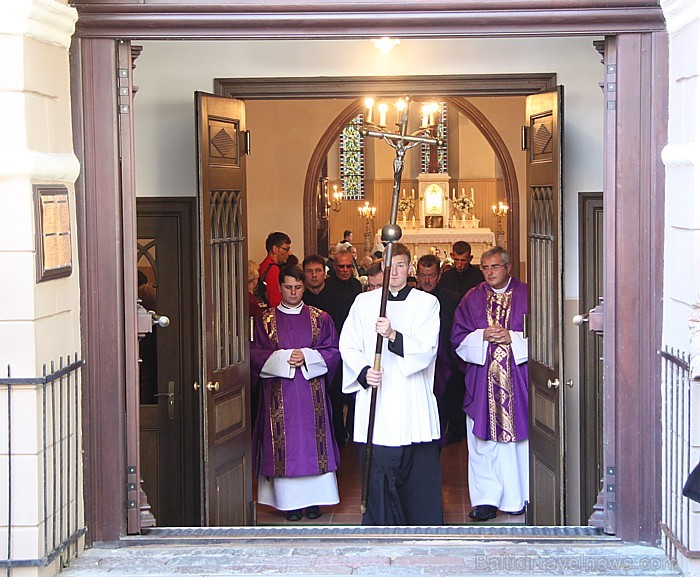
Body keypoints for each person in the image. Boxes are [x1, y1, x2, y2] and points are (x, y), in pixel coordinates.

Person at [340, 243, 443, 525]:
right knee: (378, 469)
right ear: (381, 267)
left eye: (400, 265)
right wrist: (363, 372)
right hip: (378, 399)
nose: (394, 271)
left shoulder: (426, 303)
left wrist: (393, 334)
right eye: (389, 265)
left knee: (415, 470)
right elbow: (347, 345)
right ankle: (379, 527)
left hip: (411, 400)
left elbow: (427, 349)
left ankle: (421, 526)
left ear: (409, 268)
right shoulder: (364, 303)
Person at [250, 265, 341, 521]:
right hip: (279, 394)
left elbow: (333, 351)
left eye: (298, 287)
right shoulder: (265, 320)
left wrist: (309, 356)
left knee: (313, 444)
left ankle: (315, 502)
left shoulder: (320, 318)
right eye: (288, 287)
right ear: (279, 287)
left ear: (305, 287)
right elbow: (254, 354)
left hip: (312, 394)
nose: (293, 292)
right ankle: (289, 503)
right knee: (285, 447)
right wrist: (284, 358)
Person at [451, 246, 529, 521]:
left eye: (495, 267)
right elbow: (458, 338)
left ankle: (518, 497)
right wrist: (482, 335)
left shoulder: (527, 294)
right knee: (482, 444)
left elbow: (545, 336)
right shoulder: (472, 298)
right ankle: (485, 499)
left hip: (516, 381)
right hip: (482, 383)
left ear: (508, 267)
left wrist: (513, 338)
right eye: (485, 268)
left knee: (515, 443)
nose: (490, 272)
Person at [416, 254, 463, 445]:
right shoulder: (410, 300)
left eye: (431, 275)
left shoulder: (453, 300)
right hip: (417, 364)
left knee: (445, 405)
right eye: (423, 275)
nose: (427, 280)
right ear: (417, 276)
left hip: (446, 363)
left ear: (439, 275)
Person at [323, 248, 363, 446]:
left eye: (349, 266)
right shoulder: (328, 286)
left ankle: (355, 430)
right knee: (336, 393)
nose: (345, 270)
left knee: (356, 391)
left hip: (355, 345)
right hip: (335, 345)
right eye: (341, 266)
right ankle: (338, 433)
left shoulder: (356, 285)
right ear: (334, 266)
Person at [258, 231, 292, 308]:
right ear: (275, 249)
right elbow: (275, 301)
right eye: (286, 249)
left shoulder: (263, 265)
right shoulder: (273, 269)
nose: (289, 253)